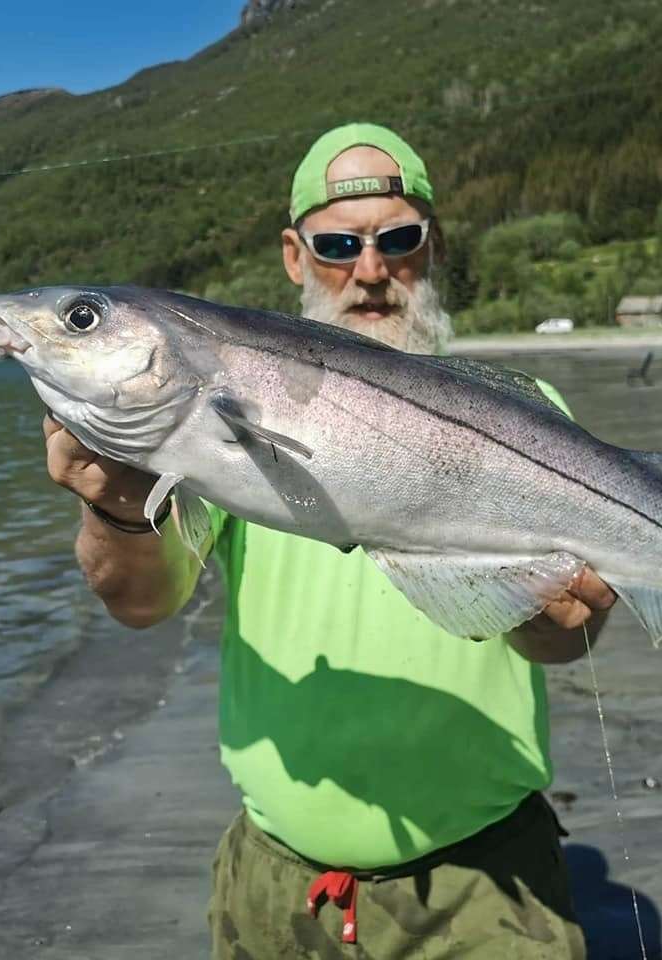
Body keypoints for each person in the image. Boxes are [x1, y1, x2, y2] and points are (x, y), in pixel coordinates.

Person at [43, 123, 618, 959]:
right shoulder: (217, 418)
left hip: (486, 887)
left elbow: (571, 642)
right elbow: (140, 602)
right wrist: (116, 507)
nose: (371, 271)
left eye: (399, 239)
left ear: (433, 245)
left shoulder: (530, 415)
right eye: (339, 243)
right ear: (294, 255)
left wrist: (552, 617)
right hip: (274, 883)